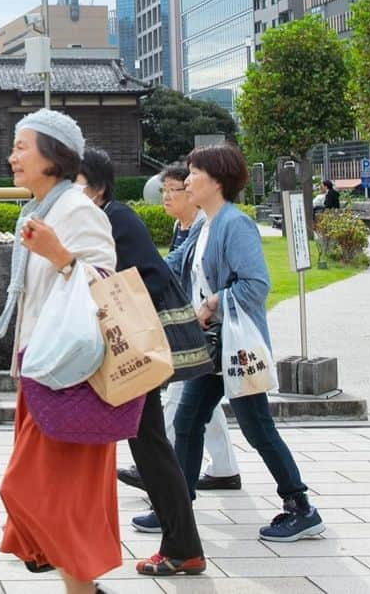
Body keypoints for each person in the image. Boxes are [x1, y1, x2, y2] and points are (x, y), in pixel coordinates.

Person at [168, 143, 327, 542]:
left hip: (234, 346)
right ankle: (176, 508)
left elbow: (256, 285)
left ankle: (300, 507)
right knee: (187, 422)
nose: (187, 181)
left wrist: (211, 303)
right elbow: (173, 266)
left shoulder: (233, 225)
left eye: (193, 173)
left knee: (256, 428)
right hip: (212, 345)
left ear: (216, 178)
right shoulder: (205, 224)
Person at [0, 110, 120, 594]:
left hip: (72, 377)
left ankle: (71, 574)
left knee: (37, 489)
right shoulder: (39, 210)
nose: (12, 157)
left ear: (54, 155)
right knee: (61, 495)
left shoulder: (77, 211)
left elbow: (107, 285)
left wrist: (61, 257)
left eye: (22, 146)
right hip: (42, 370)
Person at [76, 150, 205, 577]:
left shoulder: (112, 219)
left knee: (149, 442)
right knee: (147, 441)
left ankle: (182, 545)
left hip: (139, 342)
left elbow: (135, 280)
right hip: (134, 341)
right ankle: (181, 543)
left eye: (73, 183)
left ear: (95, 187)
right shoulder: (109, 215)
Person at [118, 163, 242, 495]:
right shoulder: (182, 226)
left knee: (179, 403)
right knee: (199, 405)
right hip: (190, 323)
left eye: (176, 189)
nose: (168, 197)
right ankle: (225, 469)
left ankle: (160, 478)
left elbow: (172, 269)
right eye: (165, 190)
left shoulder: (207, 227)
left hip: (199, 326)